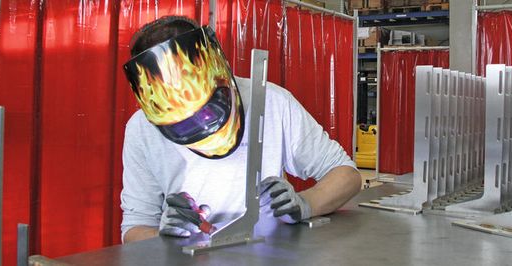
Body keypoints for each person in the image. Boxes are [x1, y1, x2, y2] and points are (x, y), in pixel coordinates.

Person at [120, 16, 361, 243]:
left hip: (269, 249)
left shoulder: (272, 101)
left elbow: (346, 175)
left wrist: (305, 203)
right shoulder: (141, 128)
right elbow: (134, 228)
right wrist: (165, 233)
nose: (199, 122)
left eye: (205, 109)